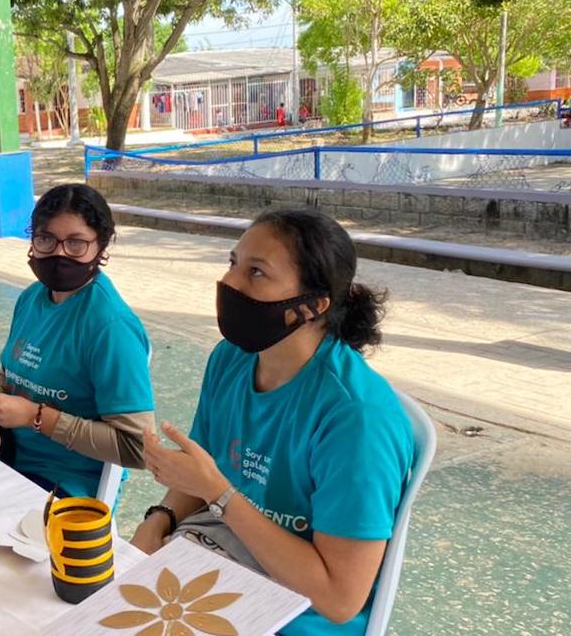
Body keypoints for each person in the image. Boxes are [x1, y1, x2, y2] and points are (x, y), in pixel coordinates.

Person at [133, 207, 414, 636]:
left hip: (293, 617)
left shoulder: (357, 418)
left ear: (312, 306)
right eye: (233, 263)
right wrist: (159, 520)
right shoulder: (230, 359)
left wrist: (219, 492)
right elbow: (202, 468)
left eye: (256, 272)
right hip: (207, 568)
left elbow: (339, 599)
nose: (230, 283)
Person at [0, 184, 155, 499]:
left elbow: (138, 448)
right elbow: (15, 373)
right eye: (46, 239)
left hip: (67, 484)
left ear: (101, 247)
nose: (58, 253)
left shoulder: (111, 327)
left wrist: (36, 417)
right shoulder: (31, 299)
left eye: (76, 243)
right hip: (6, 455)